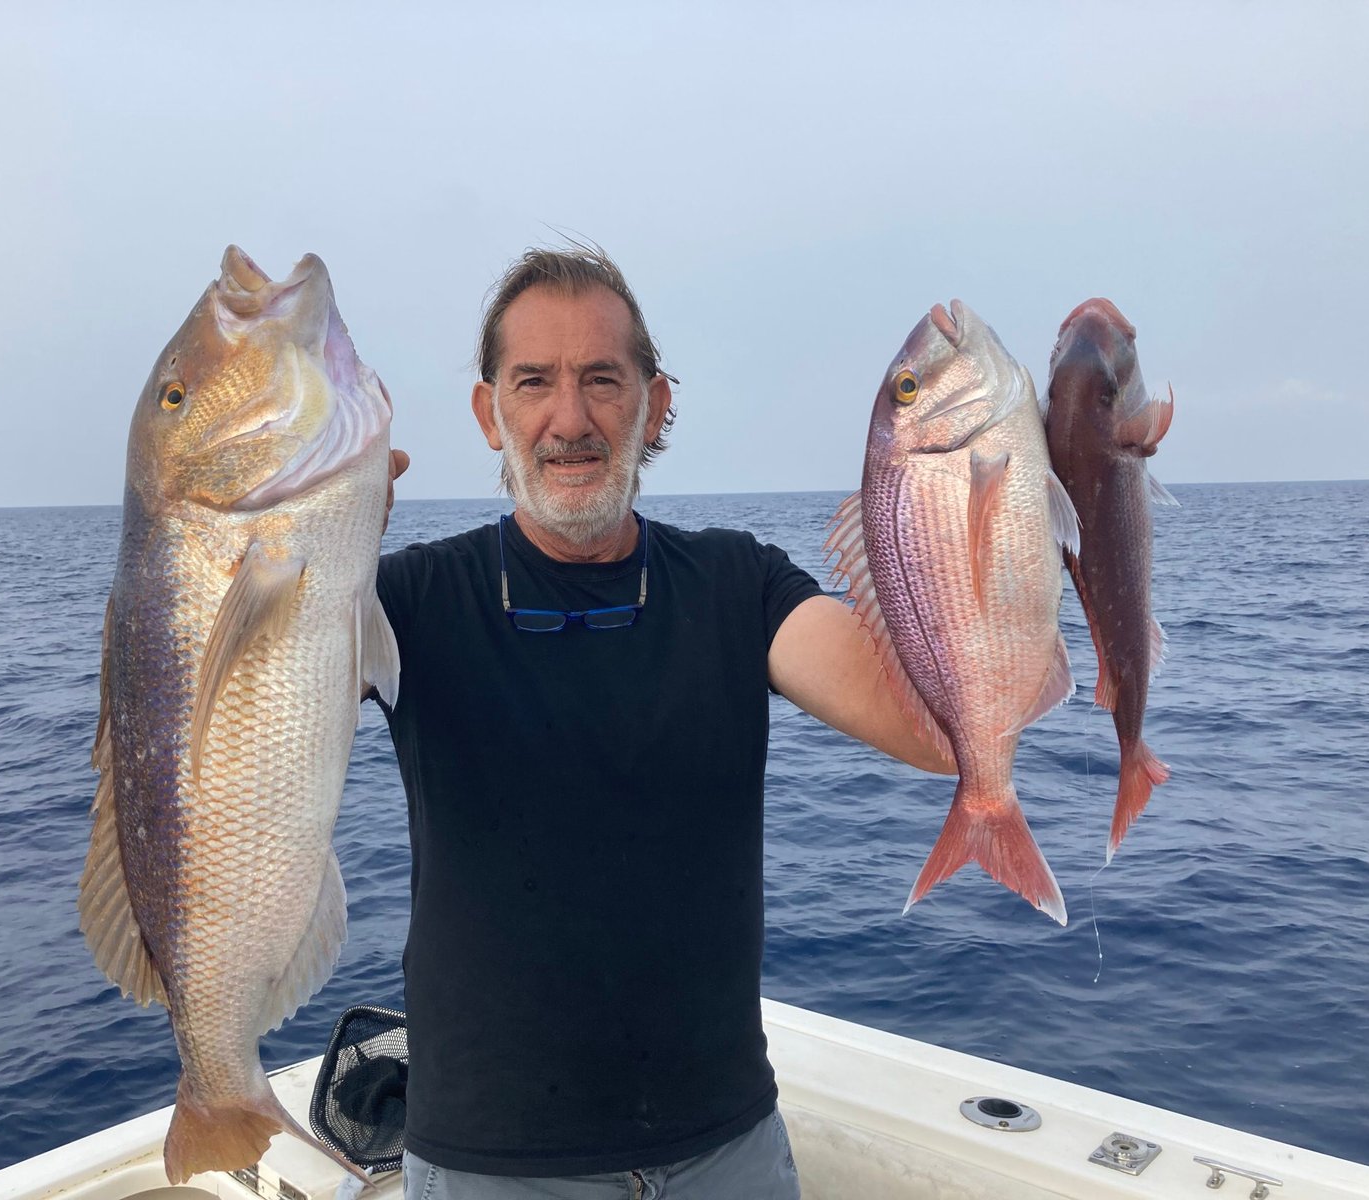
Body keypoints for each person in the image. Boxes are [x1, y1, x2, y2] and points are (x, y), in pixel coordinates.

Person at [370, 245, 951, 1199]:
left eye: (603, 379)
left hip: (726, 1147)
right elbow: (235, 716)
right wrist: (307, 549)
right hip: (490, 1163)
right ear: (488, 412)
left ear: (656, 403)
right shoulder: (409, 601)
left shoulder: (737, 582)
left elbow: (932, 726)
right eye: (534, 382)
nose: (570, 419)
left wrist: (1037, 511)